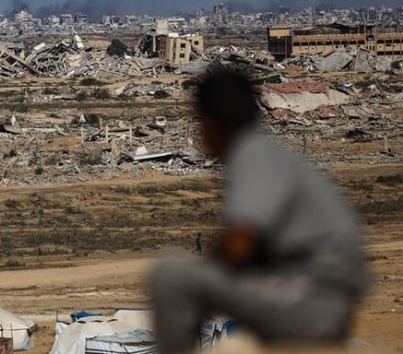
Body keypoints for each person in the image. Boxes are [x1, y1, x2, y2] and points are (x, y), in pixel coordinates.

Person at [150, 71, 368, 354]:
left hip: (310, 305)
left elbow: (239, 245)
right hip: (325, 303)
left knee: (171, 275)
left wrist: (204, 280)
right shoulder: (272, 155)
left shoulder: (252, 155)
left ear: (210, 124)